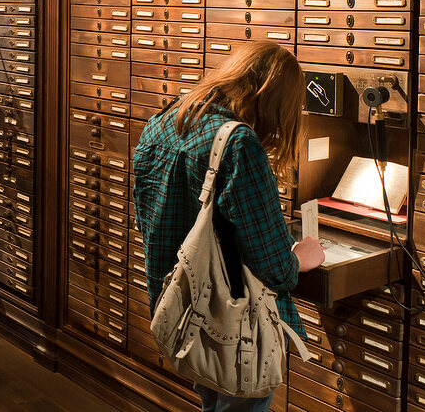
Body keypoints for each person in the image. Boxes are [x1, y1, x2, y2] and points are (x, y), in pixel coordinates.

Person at [131, 41, 325, 412]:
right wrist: (299, 258)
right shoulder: (238, 142)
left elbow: (148, 214)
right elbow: (272, 262)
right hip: (232, 320)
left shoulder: (165, 121)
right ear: (275, 100)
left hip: (180, 302)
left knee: (211, 396)